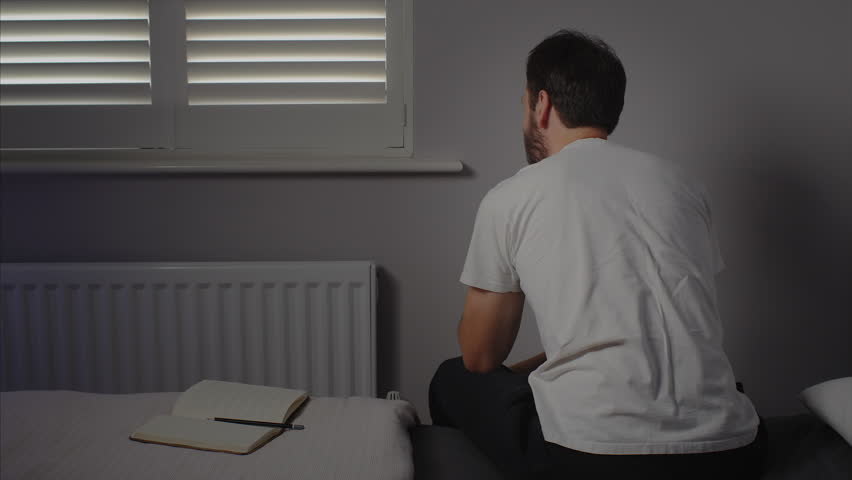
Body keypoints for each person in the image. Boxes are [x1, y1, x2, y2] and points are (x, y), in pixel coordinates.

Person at [429, 30, 767, 479]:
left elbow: (480, 357)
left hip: (591, 459)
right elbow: (662, 323)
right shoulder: (685, 186)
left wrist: (516, 374)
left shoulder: (511, 197)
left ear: (542, 104)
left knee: (452, 377)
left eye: (524, 105)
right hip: (731, 451)